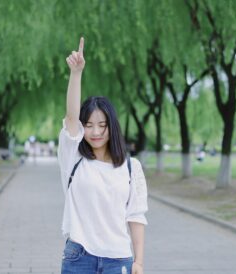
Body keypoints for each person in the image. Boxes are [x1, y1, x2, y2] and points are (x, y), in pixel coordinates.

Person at [57, 37, 148, 274]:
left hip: (118, 260)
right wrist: (76, 74)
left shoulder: (131, 167)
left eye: (102, 125)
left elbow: (136, 215)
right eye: (88, 125)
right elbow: (70, 119)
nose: (95, 132)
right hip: (79, 257)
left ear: (112, 126)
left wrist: (138, 261)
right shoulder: (73, 158)